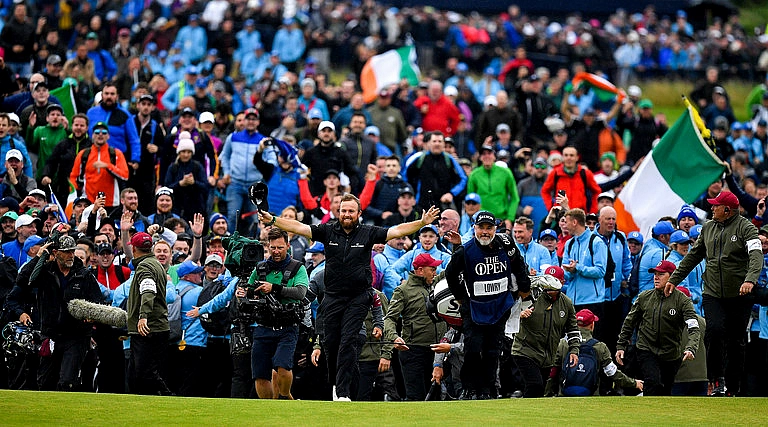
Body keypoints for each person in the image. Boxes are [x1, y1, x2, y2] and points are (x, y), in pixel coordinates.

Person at [257, 194, 439, 401]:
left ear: (359, 213)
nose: (347, 215)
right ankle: (339, 384)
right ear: (338, 212)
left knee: (348, 340)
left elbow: (396, 230)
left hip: (359, 296)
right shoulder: (327, 231)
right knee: (331, 343)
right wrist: (273, 220)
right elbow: (299, 227)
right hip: (333, 297)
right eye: (343, 211)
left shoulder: (368, 233)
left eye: (351, 211)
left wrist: (422, 223)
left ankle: (342, 392)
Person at [667, 191, 763, 396]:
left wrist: (750, 280)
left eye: (716, 206)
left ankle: (733, 387)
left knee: (737, 340)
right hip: (712, 291)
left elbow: (756, 256)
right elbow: (693, 256)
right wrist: (674, 280)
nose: (711, 208)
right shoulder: (708, 227)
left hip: (740, 293)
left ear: (727, 210)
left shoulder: (746, 228)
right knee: (714, 331)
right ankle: (716, 379)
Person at [445, 211, 531, 399]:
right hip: (474, 307)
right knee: (473, 350)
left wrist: (525, 287)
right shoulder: (465, 251)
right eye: (481, 227)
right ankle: (470, 389)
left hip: (500, 306)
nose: (485, 232)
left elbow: (518, 264)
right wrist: (460, 297)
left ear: (495, 228)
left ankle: (488, 390)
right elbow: (450, 274)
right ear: (474, 228)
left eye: (489, 228)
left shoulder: (506, 243)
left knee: (493, 351)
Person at [6, 235, 103, 391]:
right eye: (66, 252)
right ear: (56, 252)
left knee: (67, 381)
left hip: (76, 336)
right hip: (50, 335)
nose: (71, 255)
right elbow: (22, 280)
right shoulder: (45, 272)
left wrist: (91, 317)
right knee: (45, 382)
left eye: (72, 251)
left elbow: (99, 302)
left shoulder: (84, 275)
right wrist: (39, 257)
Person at [238, 228, 308, 399]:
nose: (276, 252)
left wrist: (274, 288)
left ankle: (284, 396)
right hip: (263, 325)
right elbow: (250, 289)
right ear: (267, 247)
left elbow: (300, 293)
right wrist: (244, 292)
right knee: (260, 373)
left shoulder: (298, 268)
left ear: (288, 246)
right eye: (273, 248)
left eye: (280, 248)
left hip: (287, 325)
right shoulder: (260, 268)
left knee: (283, 366)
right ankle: (267, 407)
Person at [616, 260, 700, 396]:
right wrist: (621, 345)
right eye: (655, 274)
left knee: (666, 389)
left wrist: (691, 347)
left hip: (671, 353)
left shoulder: (683, 300)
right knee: (653, 382)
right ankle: (648, 414)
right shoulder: (644, 297)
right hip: (646, 348)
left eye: (661, 274)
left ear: (672, 276)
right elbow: (629, 322)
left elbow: (694, 327)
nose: (656, 277)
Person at [383, 253, 447, 401]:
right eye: (432, 269)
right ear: (420, 271)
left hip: (437, 351)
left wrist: (457, 247)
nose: (435, 272)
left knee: (436, 399)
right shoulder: (403, 290)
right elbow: (389, 319)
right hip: (413, 351)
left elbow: (450, 270)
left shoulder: (435, 284)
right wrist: (394, 337)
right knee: (416, 397)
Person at [512, 267, 580, 398]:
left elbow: (572, 329)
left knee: (540, 389)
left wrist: (574, 350)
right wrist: (519, 314)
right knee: (535, 386)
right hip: (525, 350)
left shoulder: (566, 303)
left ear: (562, 282)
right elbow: (508, 312)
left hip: (548, 357)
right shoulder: (531, 296)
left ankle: (528, 415)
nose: (549, 285)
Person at [553, 308, 643, 395]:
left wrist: (547, 392)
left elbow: (553, 371)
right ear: (592, 325)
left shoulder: (563, 343)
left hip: (565, 395)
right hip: (591, 396)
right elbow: (613, 373)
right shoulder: (600, 347)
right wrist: (634, 383)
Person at [126, 232, 172, 395]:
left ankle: (167, 396)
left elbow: (148, 290)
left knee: (144, 372)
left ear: (133, 248)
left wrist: (143, 316)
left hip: (148, 327)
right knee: (135, 371)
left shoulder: (145, 266)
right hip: (157, 326)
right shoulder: (155, 264)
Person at [561, 208, 608, 339]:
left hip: (592, 301)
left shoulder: (596, 242)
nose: (564, 225)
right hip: (572, 302)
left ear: (575, 222)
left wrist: (578, 268)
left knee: (592, 342)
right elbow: (566, 273)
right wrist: (569, 271)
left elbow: (600, 271)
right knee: (573, 340)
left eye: (567, 222)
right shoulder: (569, 244)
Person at [69, 122, 130, 210]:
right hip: (88, 202)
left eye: (104, 132)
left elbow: (125, 175)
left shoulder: (116, 153)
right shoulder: (83, 154)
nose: (100, 134)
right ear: (92, 135)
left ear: (108, 136)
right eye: (97, 132)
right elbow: (74, 177)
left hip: (110, 203)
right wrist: (73, 196)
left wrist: (107, 166)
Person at [467, 144, 519, 227]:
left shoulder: (505, 172)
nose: (486, 156)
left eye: (489, 153)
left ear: (494, 156)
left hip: (501, 219)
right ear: (480, 157)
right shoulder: (474, 175)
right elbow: (470, 199)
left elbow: (514, 197)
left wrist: (510, 218)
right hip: (481, 220)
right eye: (483, 154)